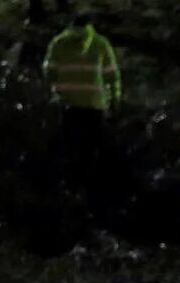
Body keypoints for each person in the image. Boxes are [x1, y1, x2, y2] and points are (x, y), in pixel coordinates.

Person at [42, 15, 120, 195]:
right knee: (91, 149)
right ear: (89, 26)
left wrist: (56, 90)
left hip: (68, 104)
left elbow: (48, 71)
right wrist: (114, 99)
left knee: (70, 148)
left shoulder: (58, 43)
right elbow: (112, 75)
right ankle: (90, 188)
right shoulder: (101, 43)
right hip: (95, 105)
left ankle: (70, 187)